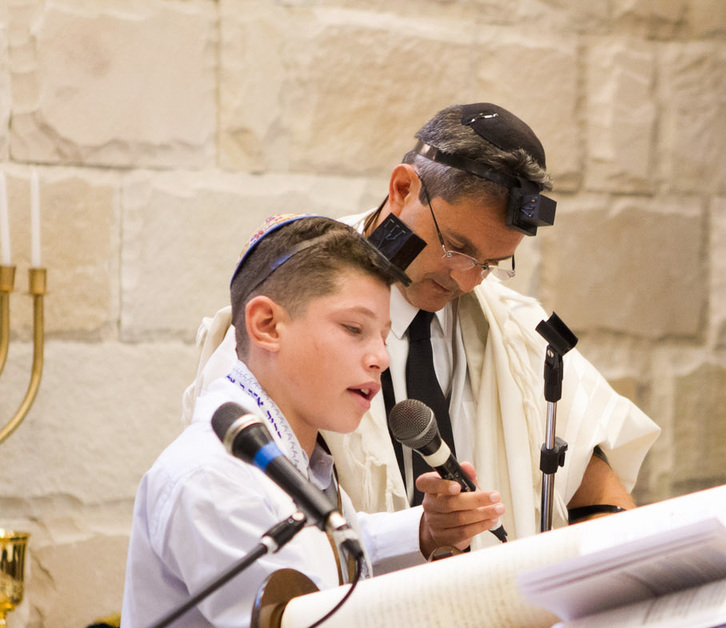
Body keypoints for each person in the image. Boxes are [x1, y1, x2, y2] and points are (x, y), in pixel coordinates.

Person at [183, 103, 659, 551]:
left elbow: (600, 497)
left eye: (491, 263)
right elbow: (256, 520)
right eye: (457, 248)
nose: (467, 281)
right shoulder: (298, 295)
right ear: (402, 188)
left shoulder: (517, 331)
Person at [108, 216, 502, 628]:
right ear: (267, 325)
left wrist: (425, 533)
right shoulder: (211, 476)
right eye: (354, 329)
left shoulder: (290, 457)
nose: (381, 358)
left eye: (383, 335)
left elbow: (326, 557)